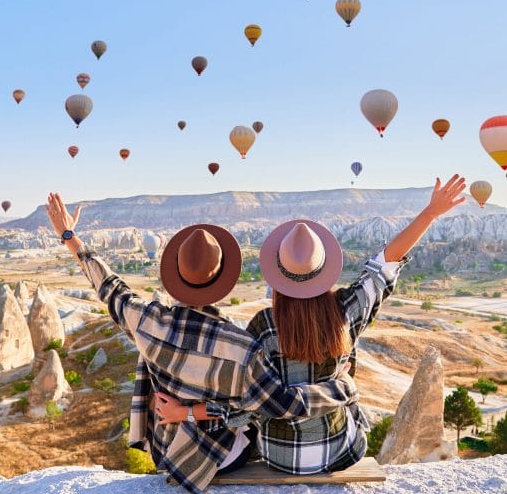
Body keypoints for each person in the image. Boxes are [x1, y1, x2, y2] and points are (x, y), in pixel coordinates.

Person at [44, 194, 359, 493]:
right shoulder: (241, 348)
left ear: (176, 274)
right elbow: (283, 406)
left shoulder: (148, 322)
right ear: (223, 282)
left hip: (167, 450)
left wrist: (69, 235)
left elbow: (110, 287)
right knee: (246, 412)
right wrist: (341, 386)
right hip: (219, 460)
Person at [155, 175, 466, 474]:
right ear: (324, 271)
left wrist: (183, 413)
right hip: (341, 452)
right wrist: (431, 212)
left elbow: (243, 409)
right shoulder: (345, 310)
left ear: (277, 278)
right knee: (348, 377)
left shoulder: (262, 327)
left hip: (281, 457)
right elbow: (386, 263)